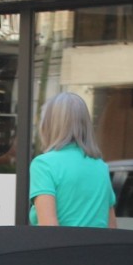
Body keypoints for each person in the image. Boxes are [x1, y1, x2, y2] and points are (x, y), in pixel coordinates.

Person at [29, 92, 116, 228]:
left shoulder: (43, 164)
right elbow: (112, 228)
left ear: (48, 124)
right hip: (98, 248)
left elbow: (48, 229)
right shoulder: (100, 166)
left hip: (63, 248)